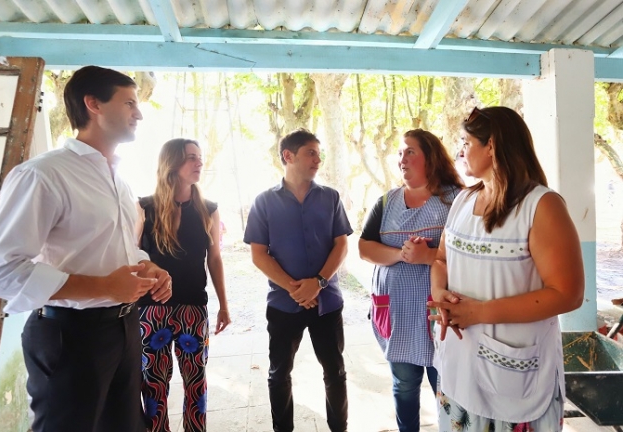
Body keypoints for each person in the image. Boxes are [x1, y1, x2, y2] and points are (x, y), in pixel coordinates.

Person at [0, 65, 172, 432]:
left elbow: (118, 250)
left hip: (125, 328)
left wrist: (148, 267)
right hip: (70, 337)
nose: (139, 113)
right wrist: (105, 287)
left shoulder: (119, 180)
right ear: (93, 104)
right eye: (129, 102)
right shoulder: (43, 175)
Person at [428, 106, 585, 431]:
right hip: (459, 366)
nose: (459, 151)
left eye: (466, 142)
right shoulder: (462, 201)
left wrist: (480, 313)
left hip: (515, 378)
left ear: (493, 146)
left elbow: (568, 294)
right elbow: (442, 259)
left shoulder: (541, 206)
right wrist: (440, 293)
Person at [243, 129, 352, 432]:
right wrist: (296, 289)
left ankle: (339, 428)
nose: (318, 159)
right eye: (311, 152)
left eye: (319, 153)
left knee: (335, 371)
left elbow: (341, 244)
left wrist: (317, 282)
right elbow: (259, 254)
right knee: (279, 373)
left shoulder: (330, 197)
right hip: (282, 304)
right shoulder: (264, 202)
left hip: (327, 302)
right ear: (288, 156)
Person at [358, 129, 463, 432]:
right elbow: (365, 248)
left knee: (446, 387)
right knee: (404, 386)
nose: (402, 159)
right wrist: (402, 255)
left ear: (431, 157)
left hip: (439, 310)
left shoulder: (457, 200)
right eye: (400, 153)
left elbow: (472, 254)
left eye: (410, 152)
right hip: (398, 311)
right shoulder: (386, 202)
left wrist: (428, 256)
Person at [137, 138, 231, 432]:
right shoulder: (144, 208)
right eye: (191, 157)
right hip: (152, 309)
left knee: (196, 383)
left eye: (200, 157)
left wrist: (224, 305)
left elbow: (214, 259)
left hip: (194, 306)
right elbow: (132, 257)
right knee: (154, 385)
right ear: (172, 164)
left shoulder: (209, 209)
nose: (199, 162)